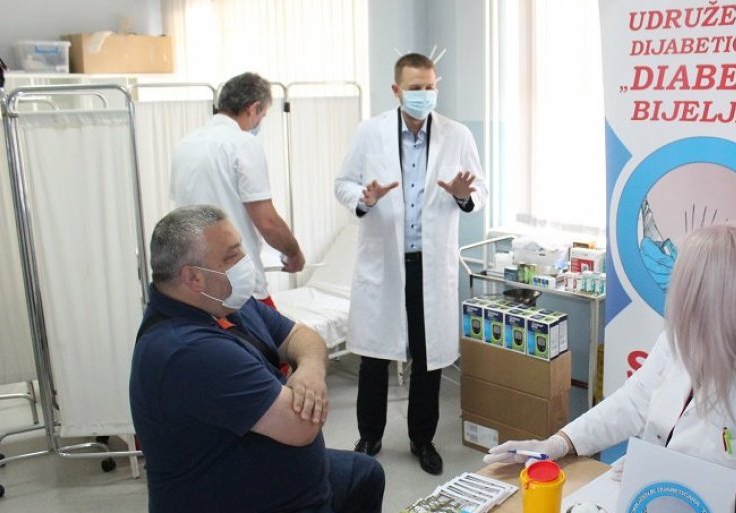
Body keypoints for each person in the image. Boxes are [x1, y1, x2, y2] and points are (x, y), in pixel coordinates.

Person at [485, 222, 736, 506]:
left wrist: (681, 483)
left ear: (722, 299)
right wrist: (559, 442)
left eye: (686, 288)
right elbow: (633, 402)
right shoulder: (684, 338)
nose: (677, 300)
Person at [130, 205, 384, 513]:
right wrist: (306, 371)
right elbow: (301, 426)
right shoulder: (187, 351)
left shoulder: (225, 304)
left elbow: (303, 336)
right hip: (239, 500)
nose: (245, 261)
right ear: (194, 277)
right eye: (232, 255)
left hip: (284, 479)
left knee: (365, 474)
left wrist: (310, 371)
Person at [335, 53, 488, 475]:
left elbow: (480, 190)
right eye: (415, 88)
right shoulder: (370, 133)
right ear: (396, 90)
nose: (424, 95)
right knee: (374, 355)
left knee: (428, 355)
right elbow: (342, 183)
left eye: (430, 87)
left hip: (430, 264)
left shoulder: (457, 135)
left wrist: (463, 195)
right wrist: (363, 199)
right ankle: (369, 435)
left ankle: (422, 439)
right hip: (384, 261)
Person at [170, 71, 305, 307]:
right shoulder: (242, 143)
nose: (260, 122)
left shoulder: (185, 144)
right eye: (262, 115)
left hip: (196, 283)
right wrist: (294, 253)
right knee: (269, 331)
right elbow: (267, 222)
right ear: (253, 108)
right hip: (238, 283)